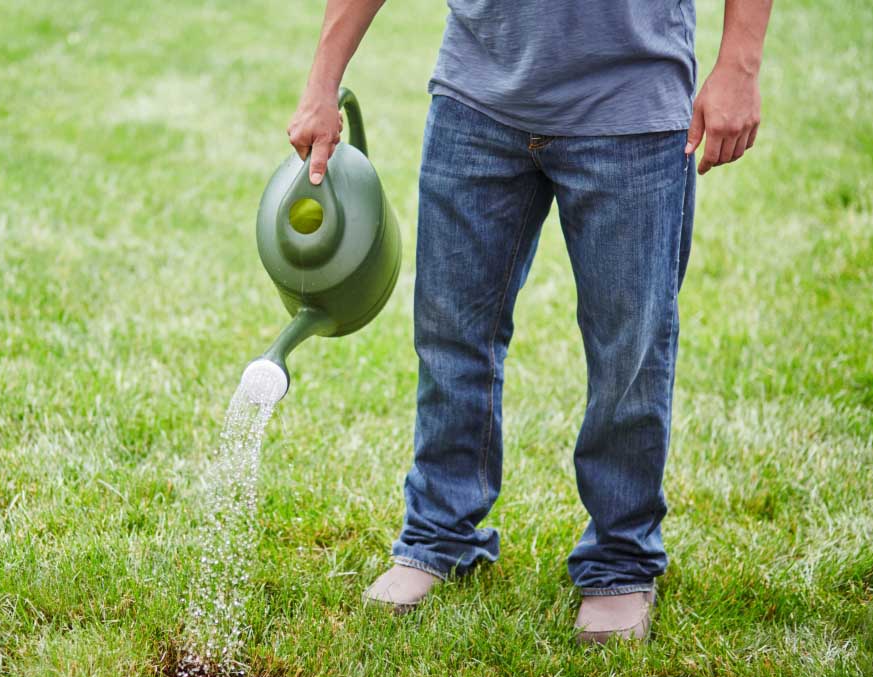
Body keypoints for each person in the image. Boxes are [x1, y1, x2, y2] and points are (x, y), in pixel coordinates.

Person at [288, 0, 772, 642]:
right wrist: (322, 80)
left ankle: (621, 560)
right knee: (449, 333)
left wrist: (738, 65)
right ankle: (440, 536)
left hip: (632, 105)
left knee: (630, 350)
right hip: (476, 99)